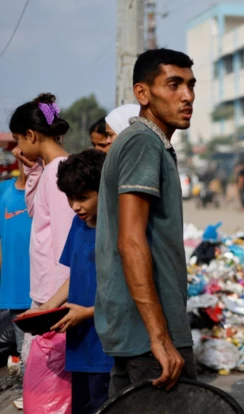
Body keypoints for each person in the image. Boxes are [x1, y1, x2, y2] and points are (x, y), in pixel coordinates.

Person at [95, 48, 197, 394]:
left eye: (190, 85)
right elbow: (131, 240)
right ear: (143, 93)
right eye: (173, 85)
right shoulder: (143, 142)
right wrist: (160, 336)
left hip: (137, 330)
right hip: (149, 336)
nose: (187, 96)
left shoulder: (148, 142)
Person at [26, 150, 114, 414]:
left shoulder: (117, 230)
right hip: (79, 345)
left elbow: (128, 293)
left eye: (83, 198)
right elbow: (73, 275)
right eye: (69, 198)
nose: (75, 206)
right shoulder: (78, 224)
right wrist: (45, 308)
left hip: (107, 348)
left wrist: (87, 313)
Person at [9, 92, 76, 410]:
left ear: (31, 135)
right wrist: (31, 168)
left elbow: (67, 243)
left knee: (52, 384)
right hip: (49, 294)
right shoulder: (50, 170)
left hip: (55, 297)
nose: (18, 148)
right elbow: (36, 211)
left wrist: (55, 303)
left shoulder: (61, 170)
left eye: (20, 139)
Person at [0, 161, 32, 366]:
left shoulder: (53, 190)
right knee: (25, 356)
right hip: (16, 295)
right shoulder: (4, 191)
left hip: (50, 295)